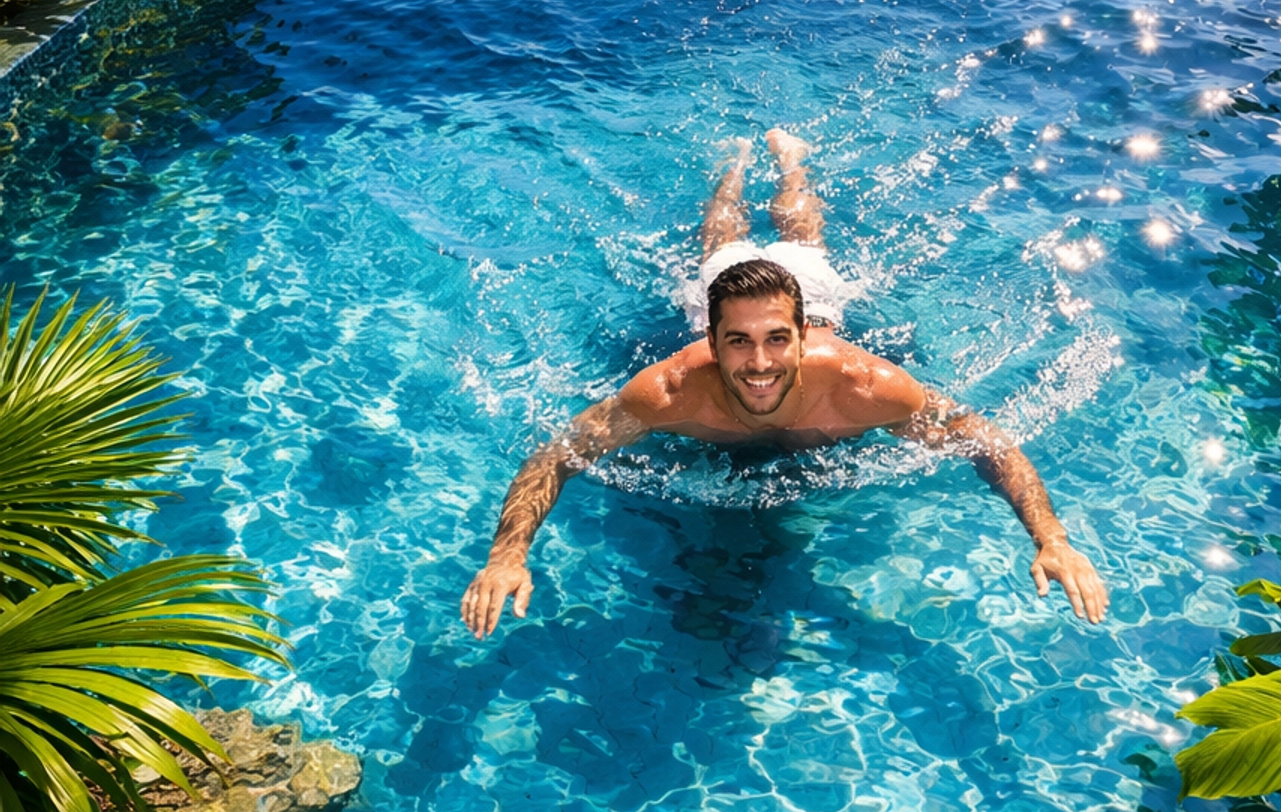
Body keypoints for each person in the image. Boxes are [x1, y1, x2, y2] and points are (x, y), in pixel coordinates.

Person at [461, 129, 1109, 637]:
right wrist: (506, 556)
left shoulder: (863, 386)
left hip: (811, 289)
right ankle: (734, 166)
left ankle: (792, 161)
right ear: (709, 338)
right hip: (726, 285)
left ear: (803, 336)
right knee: (722, 237)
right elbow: (559, 453)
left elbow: (981, 438)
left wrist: (1052, 541)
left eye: (776, 339)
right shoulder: (669, 391)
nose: (759, 362)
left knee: (803, 237)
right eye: (737, 341)